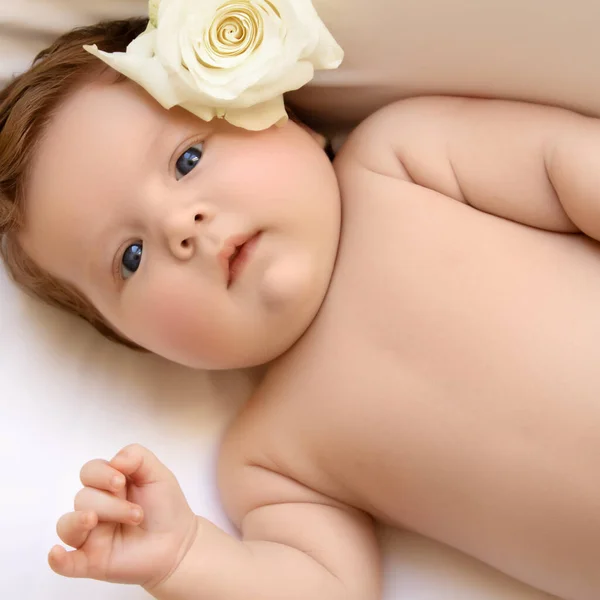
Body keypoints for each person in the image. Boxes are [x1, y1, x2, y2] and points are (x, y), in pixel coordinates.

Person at [1, 16, 600, 600]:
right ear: (137, 342)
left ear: (287, 115)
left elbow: (562, 162)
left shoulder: (401, 160)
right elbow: (328, 587)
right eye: (130, 257)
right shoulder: (269, 458)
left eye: (187, 159)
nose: (178, 225)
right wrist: (183, 559)